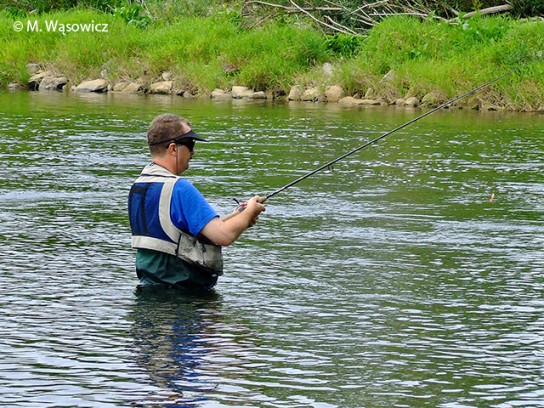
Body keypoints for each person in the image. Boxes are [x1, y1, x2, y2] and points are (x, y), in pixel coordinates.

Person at [128, 113, 266, 291]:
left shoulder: (138, 187)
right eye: (190, 144)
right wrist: (249, 212)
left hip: (149, 293)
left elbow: (174, 234)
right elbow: (223, 235)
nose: (193, 152)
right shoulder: (179, 188)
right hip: (184, 299)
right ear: (173, 149)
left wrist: (240, 217)